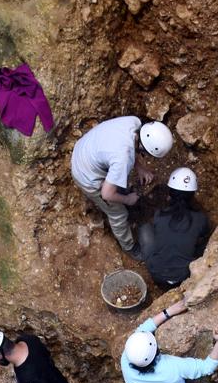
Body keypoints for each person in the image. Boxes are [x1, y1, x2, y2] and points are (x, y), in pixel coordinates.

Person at [70, 116, 174, 260]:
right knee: (118, 214)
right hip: (85, 174)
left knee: (117, 182)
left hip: (84, 149)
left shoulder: (134, 122)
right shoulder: (123, 158)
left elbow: (133, 144)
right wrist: (127, 199)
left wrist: (140, 168)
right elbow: (106, 194)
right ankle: (129, 247)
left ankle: (119, 192)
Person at [138, 167, 209, 288]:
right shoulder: (200, 218)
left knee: (145, 228)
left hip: (158, 274)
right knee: (206, 240)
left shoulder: (160, 214)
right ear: (192, 194)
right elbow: (203, 234)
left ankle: (141, 255)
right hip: (184, 275)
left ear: (170, 193)